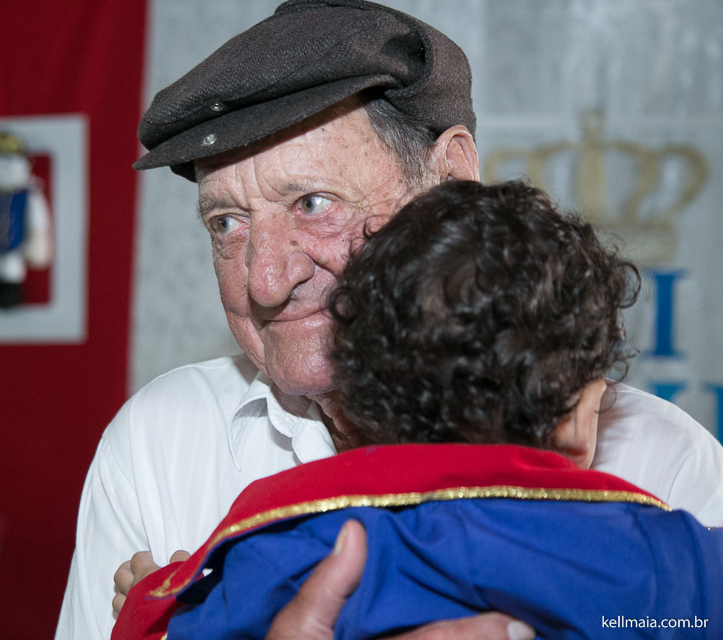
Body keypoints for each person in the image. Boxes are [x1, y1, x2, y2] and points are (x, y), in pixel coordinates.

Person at [55, 2, 723, 639]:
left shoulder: (666, 465)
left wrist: (165, 606)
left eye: (314, 202)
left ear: (452, 176)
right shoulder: (159, 443)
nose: (265, 280)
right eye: (226, 222)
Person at [109, 180, 723, 640]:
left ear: (360, 402)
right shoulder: (662, 552)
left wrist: (157, 598)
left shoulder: (294, 533)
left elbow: (182, 622)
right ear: (581, 422)